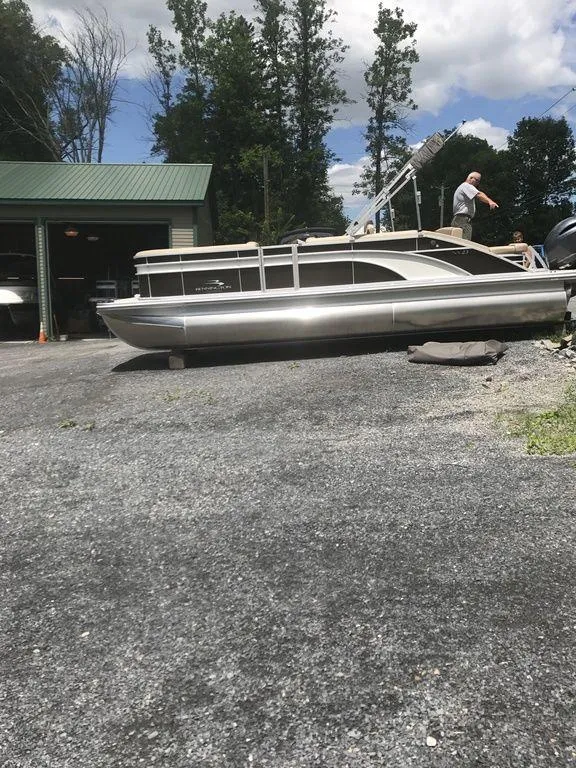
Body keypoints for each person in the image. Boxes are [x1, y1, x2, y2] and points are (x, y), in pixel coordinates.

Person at [451, 172, 499, 240]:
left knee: (460, 243)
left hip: (460, 219)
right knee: (465, 243)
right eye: (477, 180)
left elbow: (479, 192)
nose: (477, 183)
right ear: (470, 178)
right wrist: (490, 201)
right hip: (463, 219)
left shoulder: (463, 187)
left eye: (478, 181)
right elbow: (479, 195)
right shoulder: (466, 186)